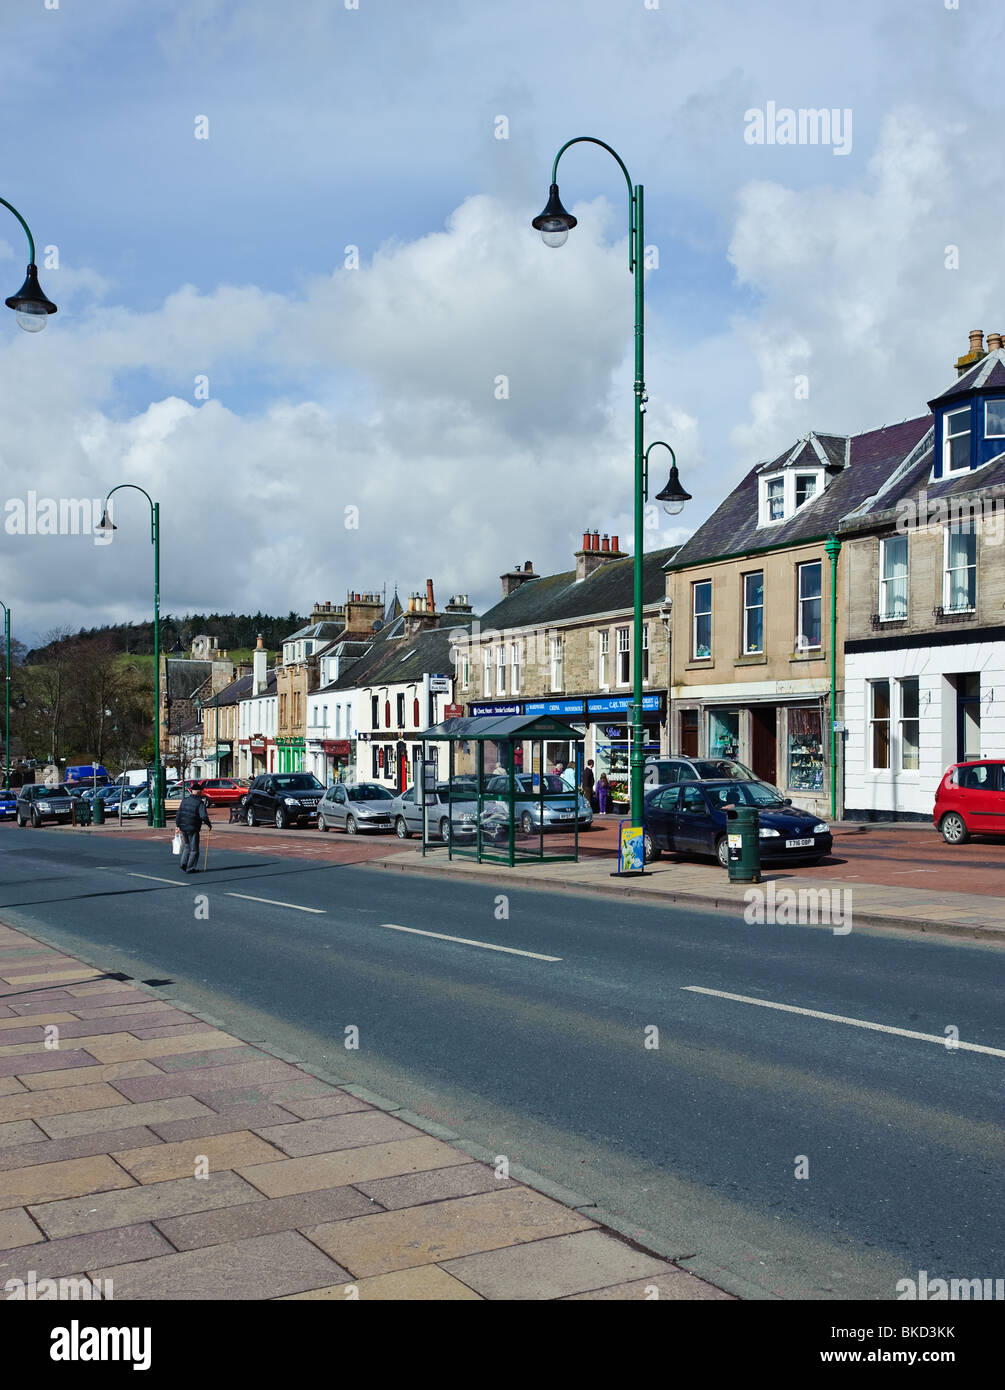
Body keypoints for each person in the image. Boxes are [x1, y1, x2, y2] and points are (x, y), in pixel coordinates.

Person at [175, 785, 212, 873]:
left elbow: (178, 813)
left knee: (187, 846)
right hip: (193, 827)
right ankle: (190, 867)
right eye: (201, 791)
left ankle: (183, 863)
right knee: (194, 849)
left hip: (183, 827)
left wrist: (177, 825)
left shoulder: (185, 800)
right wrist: (209, 824)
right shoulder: (199, 802)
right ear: (198, 791)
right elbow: (203, 816)